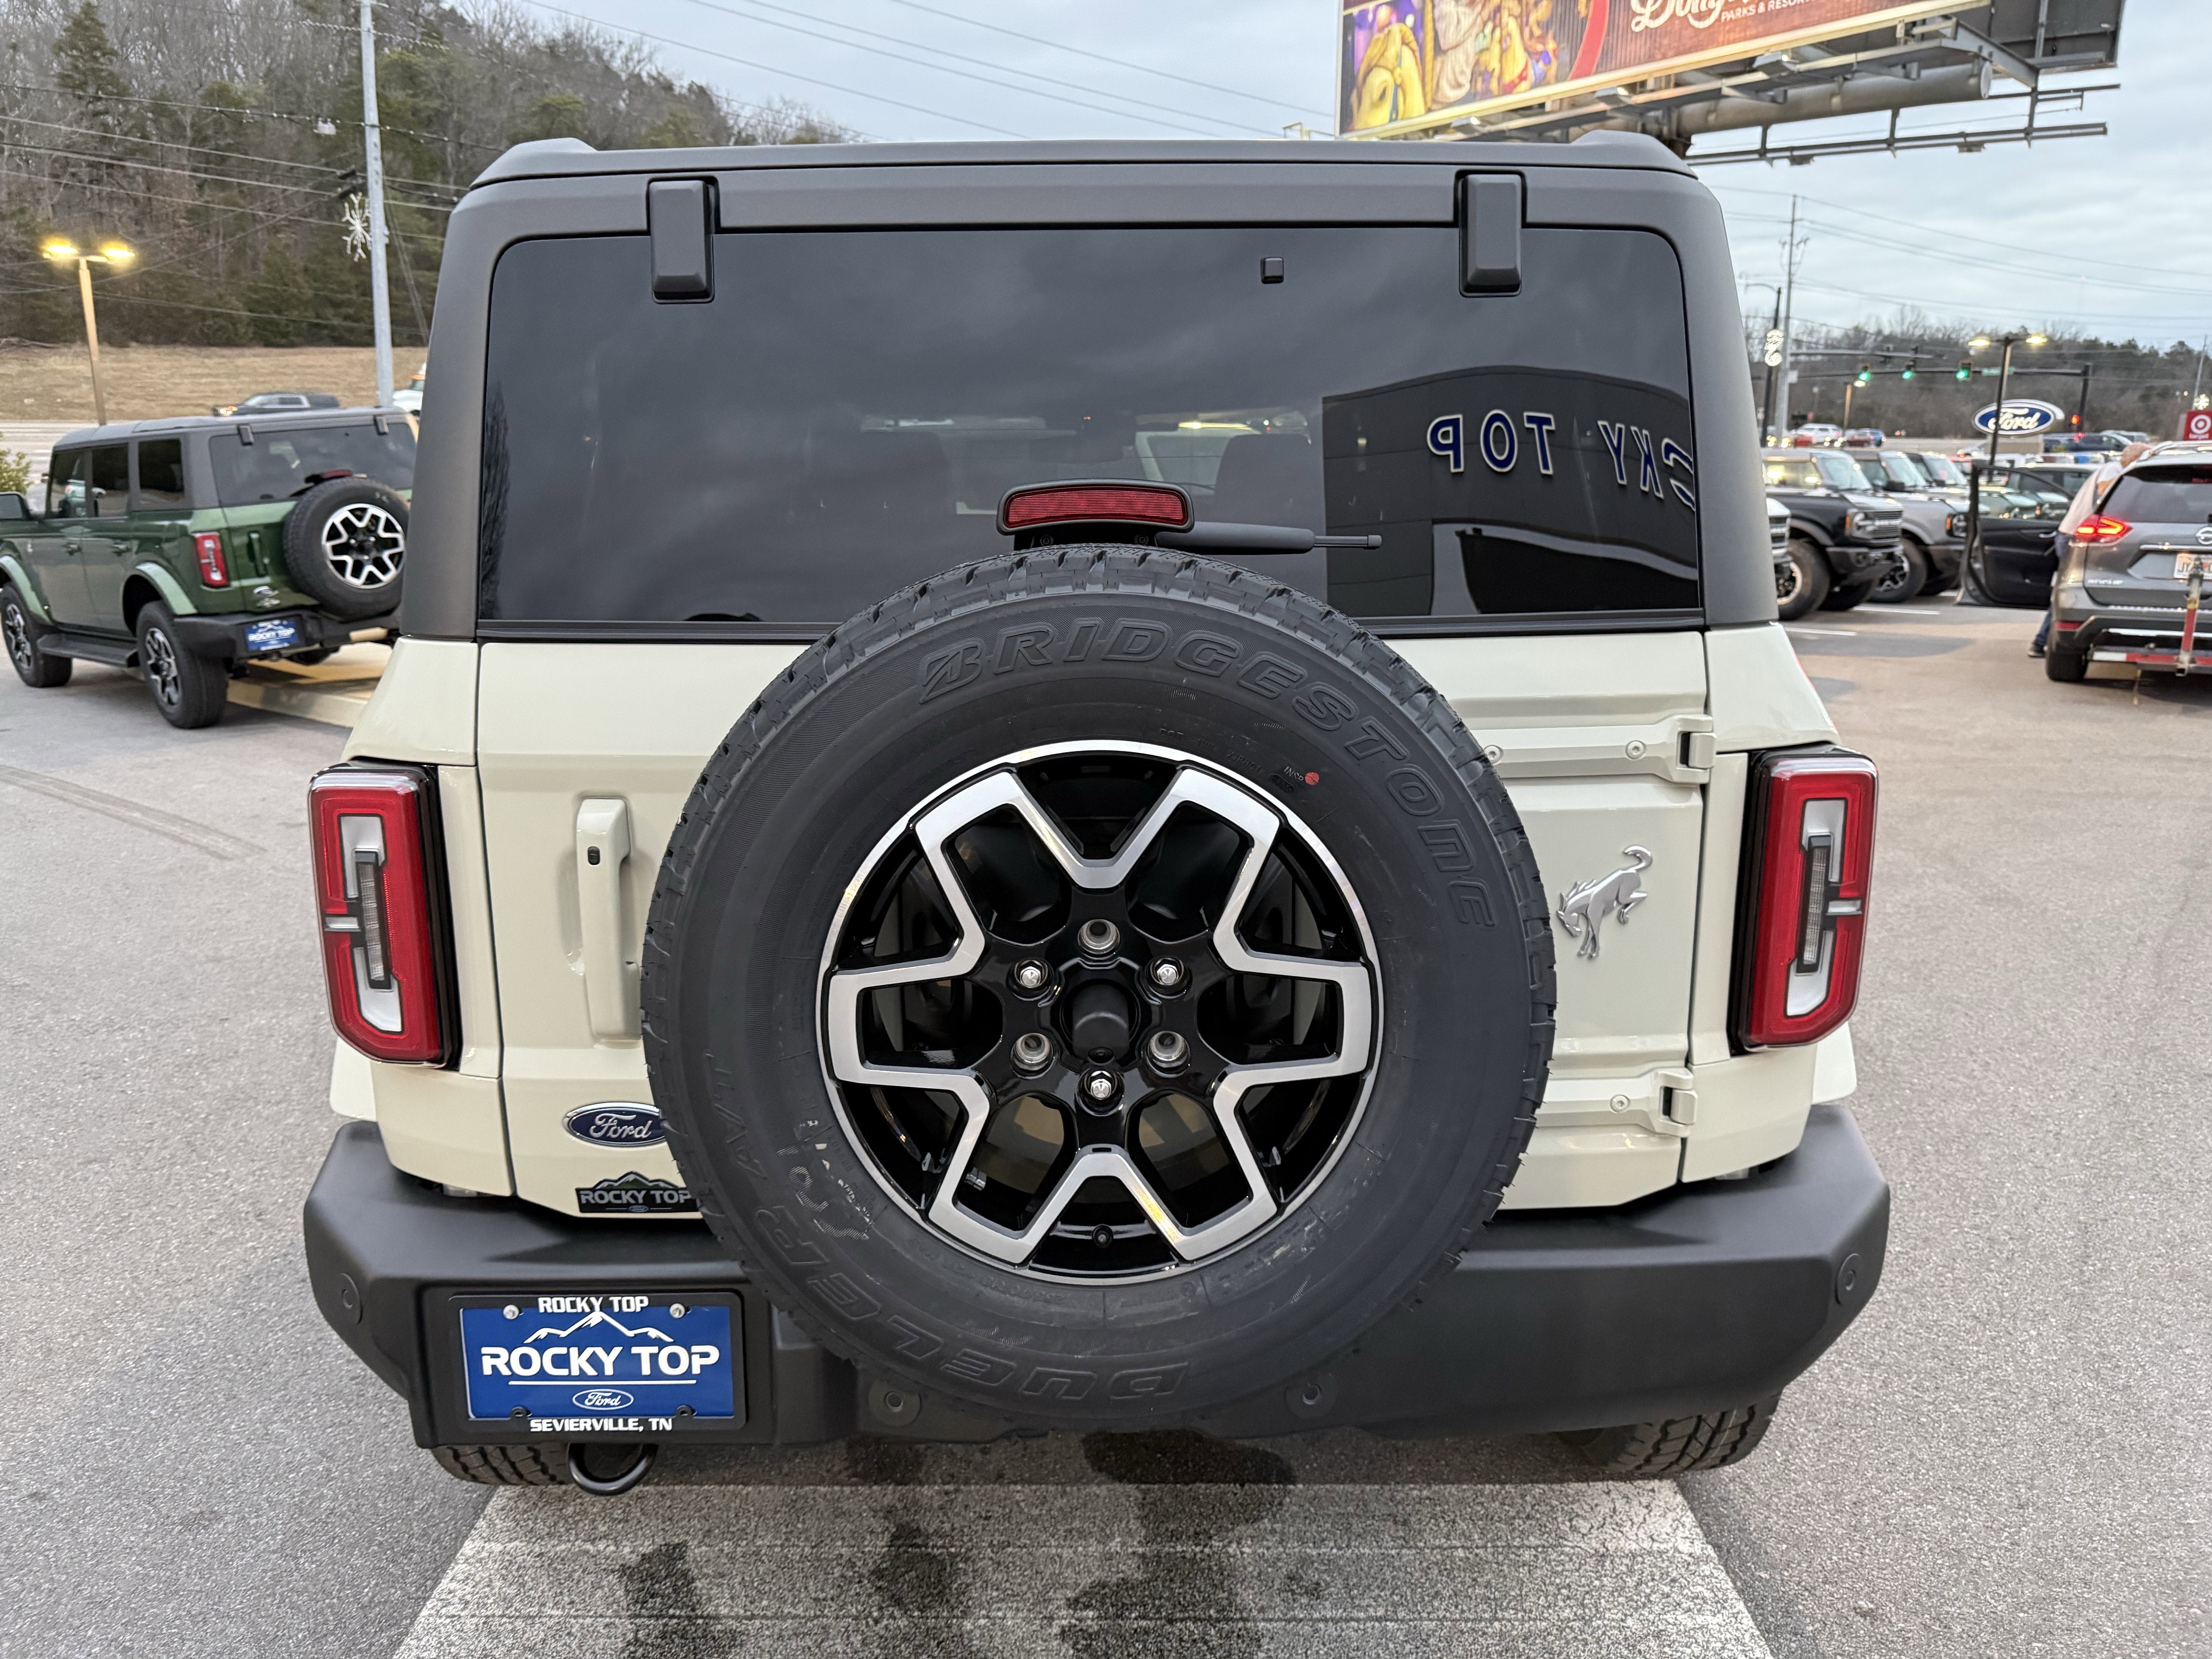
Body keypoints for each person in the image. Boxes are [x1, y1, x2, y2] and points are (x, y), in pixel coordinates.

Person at [2031, 441, 2148, 656]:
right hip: (2075, 538)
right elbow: (2105, 491)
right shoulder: (2114, 470)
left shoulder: (2112, 470)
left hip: (2074, 536)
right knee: (2069, 591)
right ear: (2134, 460)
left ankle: (2045, 642)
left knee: (2069, 590)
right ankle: (2044, 642)